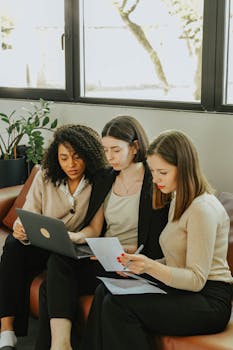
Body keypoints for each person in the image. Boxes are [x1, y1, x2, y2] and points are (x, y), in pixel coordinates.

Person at [80, 129, 233, 350]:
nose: (156, 179)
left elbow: (196, 279)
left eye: (162, 172)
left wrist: (149, 266)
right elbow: (176, 261)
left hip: (208, 300)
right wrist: (136, 264)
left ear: (184, 168)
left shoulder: (202, 209)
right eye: (153, 171)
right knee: (104, 290)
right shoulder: (178, 196)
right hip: (184, 290)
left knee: (118, 305)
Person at [34, 115, 169, 350]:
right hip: (103, 256)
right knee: (58, 262)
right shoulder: (105, 178)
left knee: (49, 289)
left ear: (135, 147)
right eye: (106, 150)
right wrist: (72, 237)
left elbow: (159, 243)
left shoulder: (155, 181)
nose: (109, 157)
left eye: (116, 150)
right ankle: (61, 345)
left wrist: (134, 259)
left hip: (133, 262)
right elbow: (94, 229)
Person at [0, 123, 111, 350]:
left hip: (71, 245)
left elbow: (94, 229)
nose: (71, 164)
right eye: (64, 158)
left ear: (89, 155)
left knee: (58, 262)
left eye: (77, 157)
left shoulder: (99, 181)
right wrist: (21, 227)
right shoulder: (45, 176)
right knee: (12, 246)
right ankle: (6, 329)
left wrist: (72, 237)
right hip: (40, 242)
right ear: (56, 158)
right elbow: (29, 213)